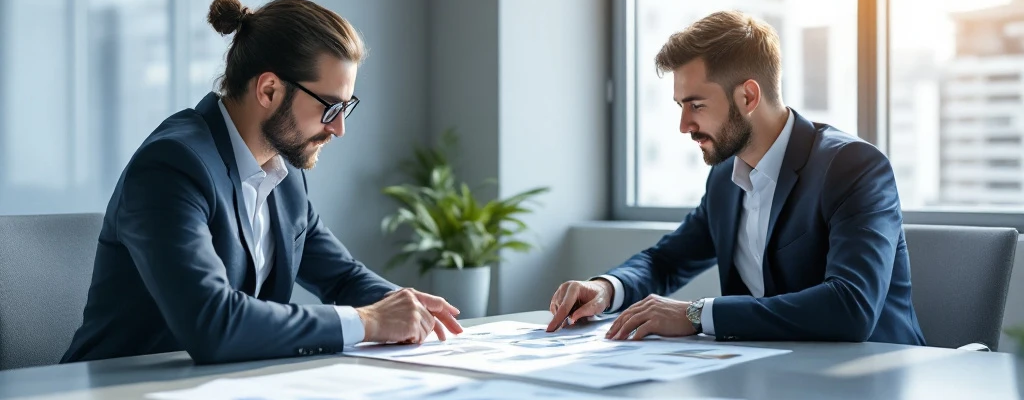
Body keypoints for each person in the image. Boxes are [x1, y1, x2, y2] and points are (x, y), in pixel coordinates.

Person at [62, 0, 463, 365]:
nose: (339, 128)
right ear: (269, 89)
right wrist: (367, 322)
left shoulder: (282, 175)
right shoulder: (172, 166)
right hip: (117, 388)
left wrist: (411, 308)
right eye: (330, 107)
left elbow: (342, 277)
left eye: (347, 107)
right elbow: (212, 322)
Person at [547, 10, 925, 345]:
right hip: (770, 374)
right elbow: (667, 260)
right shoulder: (726, 178)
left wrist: (697, 315)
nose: (684, 125)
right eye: (681, 106)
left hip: (875, 372)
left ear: (748, 97)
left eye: (696, 105)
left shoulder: (853, 166)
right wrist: (604, 288)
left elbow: (851, 307)